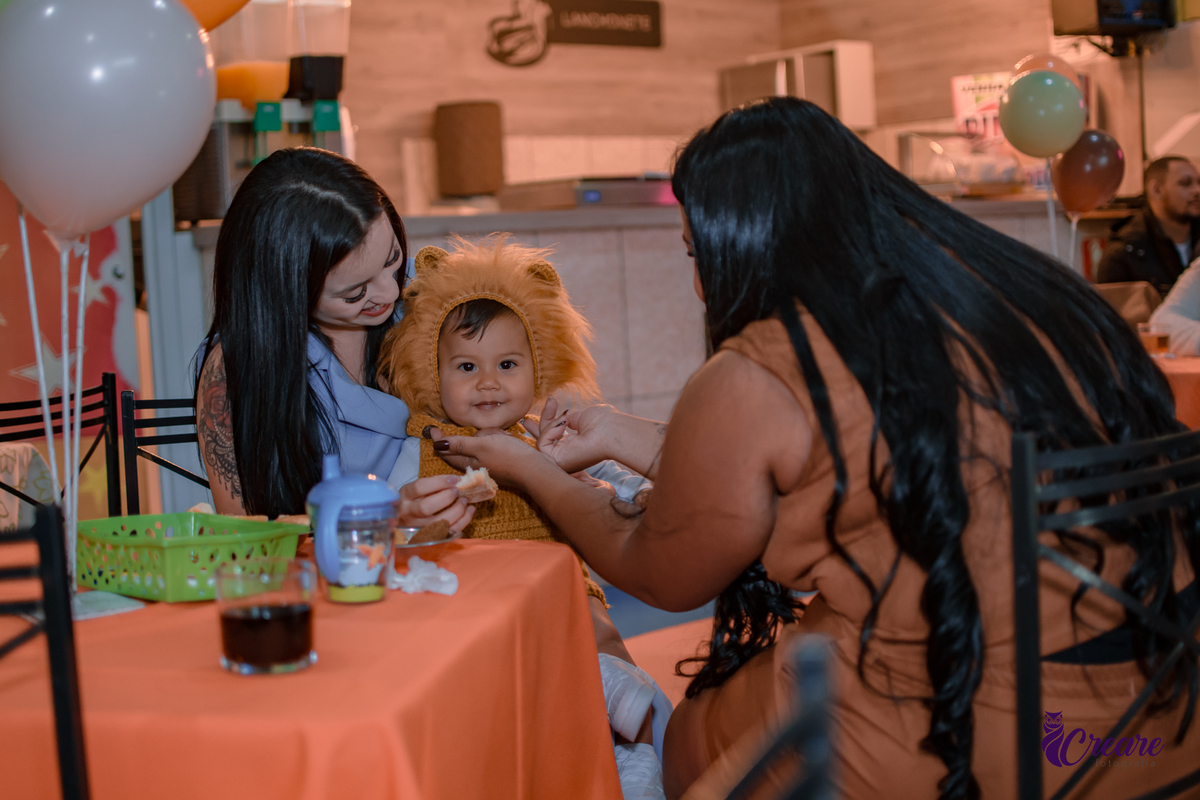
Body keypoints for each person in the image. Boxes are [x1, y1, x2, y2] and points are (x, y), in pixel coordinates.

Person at [434, 98, 1200, 800]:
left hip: (975, 725)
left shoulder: (765, 365)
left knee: (688, 740)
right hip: (1159, 708)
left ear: (740, 245)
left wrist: (529, 468)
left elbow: (659, 572)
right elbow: (869, 467)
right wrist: (627, 436)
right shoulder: (1018, 299)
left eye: (696, 255)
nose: (701, 283)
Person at [377, 238, 671, 800]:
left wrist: (594, 482)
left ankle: (631, 760)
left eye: (507, 365)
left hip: (562, 599)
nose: (488, 383)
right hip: (472, 605)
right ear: (431, 371)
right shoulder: (419, 449)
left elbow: (645, 488)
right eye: (467, 366)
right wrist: (413, 518)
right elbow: (394, 525)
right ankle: (604, 693)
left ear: (539, 366)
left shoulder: (546, 436)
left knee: (618, 690)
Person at [194, 147, 473, 534]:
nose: (390, 293)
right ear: (286, 292)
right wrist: (386, 518)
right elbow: (248, 532)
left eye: (392, 258)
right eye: (355, 294)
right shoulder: (236, 370)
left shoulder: (431, 298)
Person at [1095, 156, 1200, 296]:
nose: (1197, 190)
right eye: (1185, 183)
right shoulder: (1126, 250)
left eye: (1199, 182)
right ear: (1156, 190)